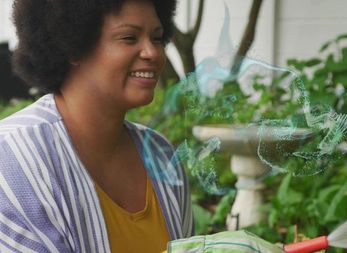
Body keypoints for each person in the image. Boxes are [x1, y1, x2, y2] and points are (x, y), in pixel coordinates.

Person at [0, 1, 285, 252]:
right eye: (129, 37)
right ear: (74, 46)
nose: (152, 52)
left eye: (158, 38)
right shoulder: (14, 158)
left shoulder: (161, 156)